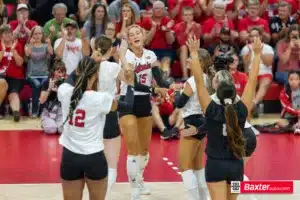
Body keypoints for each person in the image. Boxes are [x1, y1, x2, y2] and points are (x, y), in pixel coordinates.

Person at [185, 36, 262, 200]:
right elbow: (253, 79)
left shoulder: (210, 108)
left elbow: (199, 80)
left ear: (216, 91)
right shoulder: (242, 108)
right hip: (236, 166)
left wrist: (193, 52)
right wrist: (257, 54)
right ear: (235, 91)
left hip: (215, 165)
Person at [58, 56, 134, 200]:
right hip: (94, 157)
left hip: (70, 157)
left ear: (79, 72)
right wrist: (129, 84)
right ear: (95, 76)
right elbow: (128, 106)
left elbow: (70, 79)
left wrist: (90, 59)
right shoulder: (100, 98)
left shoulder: (64, 91)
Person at [118, 24, 179, 200]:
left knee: (144, 151)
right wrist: (156, 91)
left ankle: (140, 180)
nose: (136, 36)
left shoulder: (150, 55)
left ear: (144, 36)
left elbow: (158, 78)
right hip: (128, 101)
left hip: (145, 103)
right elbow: (133, 81)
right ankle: (134, 188)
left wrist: (168, 86)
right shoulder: (126, 55)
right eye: (132, 34)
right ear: (128, 40)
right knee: (133, 149)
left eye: (138, 33)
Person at [172, 48, 212, 200]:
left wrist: (175, 94)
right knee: (198, 166)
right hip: (202, 121)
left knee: (185, 167)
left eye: (191, 58)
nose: (187, 60)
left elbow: (180, 103)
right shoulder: (206, 78)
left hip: (192, 122)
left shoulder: (192, 80)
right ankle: (205, 197)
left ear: (199, 63)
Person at [40, 59, 66, 134]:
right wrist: (49, 89)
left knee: (62, 130)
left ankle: (57, 123)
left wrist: (60, 91)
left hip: (60, 112)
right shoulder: (46, 82)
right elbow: (42, 100)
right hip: (48, 112)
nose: (61, 74)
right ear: (53, 72)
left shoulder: (65, 83)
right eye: (59, 72)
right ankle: (44, 122)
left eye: (62, 72)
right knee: (52, 130)